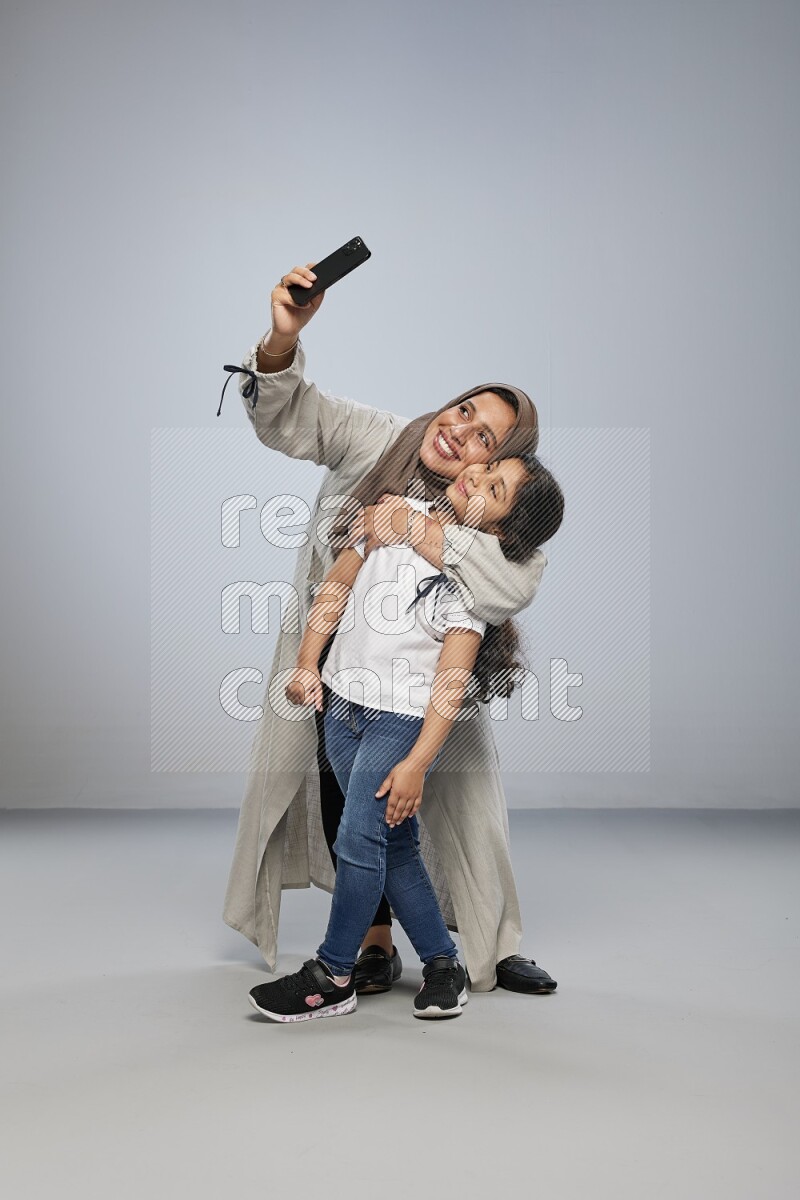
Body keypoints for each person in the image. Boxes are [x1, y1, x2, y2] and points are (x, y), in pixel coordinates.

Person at [219, 260, 564, 993]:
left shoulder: (493, 522)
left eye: (485, 439)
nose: (461, 430)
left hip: (429, 679)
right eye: (465, 409)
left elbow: (516, 581)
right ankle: (374, 941)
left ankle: (486, 945)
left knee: (466, 806)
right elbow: (289, 414)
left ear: (499, 466)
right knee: (348, 798)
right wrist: (282, 341)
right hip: (342, 670)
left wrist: (414, 527)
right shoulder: (377, 438)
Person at [247, 447, 562, 1023]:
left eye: (495, 490)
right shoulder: (396, 513)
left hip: (398, 722)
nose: (477, 475)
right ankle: (445, 964)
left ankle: (332, 973)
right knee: (395, 846)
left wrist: (418, 760)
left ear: (502, 530)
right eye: (487, 468)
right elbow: (337, 586)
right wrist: (306, 663)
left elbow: (449, 682)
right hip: (342, 710)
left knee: (359, 838)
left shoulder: (469, 583)